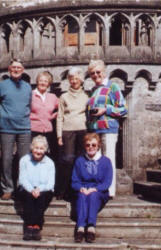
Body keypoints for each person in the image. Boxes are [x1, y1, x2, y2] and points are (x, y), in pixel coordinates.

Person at [0, 58, 32, 200]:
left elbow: (30, 106)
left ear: (22, 70)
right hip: (7, 129)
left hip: (24, 129)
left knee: (24, 160)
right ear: (9, 70)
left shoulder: (27, 87)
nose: (16, 70)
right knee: (6, 159)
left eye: (19, 68)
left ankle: (22, 187)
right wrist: (3, 118)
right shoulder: (2, 86)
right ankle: (8, 188)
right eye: (14, 67)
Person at [87, 59, 127, 197]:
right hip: (95, 130)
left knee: (108, 159)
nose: (95, 75)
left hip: (109, 129)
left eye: (98, 72)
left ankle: (109, 191)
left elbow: (123, 110)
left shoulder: (112, 87)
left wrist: (106, 110)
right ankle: (99, 188)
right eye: (92, 73)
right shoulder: (93, 90)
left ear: (104, 72)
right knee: (96, 161)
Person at [71, 133, 112, 243]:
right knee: (82, 195)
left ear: (98, 146)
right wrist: (80, 188)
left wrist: (96, 189)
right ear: (85, 146)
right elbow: (74, 181)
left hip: (99, 191)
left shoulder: (106, 161)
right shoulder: (80, 161)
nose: (91, 147)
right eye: (88, 145)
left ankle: (91, 227)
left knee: (93, 195)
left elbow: (107, 182)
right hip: (84, 188)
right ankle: (80, 228)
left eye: (93, 145)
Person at [56, 67, 89, 200]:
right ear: (68, 80)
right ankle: (64, 190)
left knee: (80, 160)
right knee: (67, 160)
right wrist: (59, 135)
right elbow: (59, 116)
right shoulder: (64, 96)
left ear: (81, 80)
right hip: (67, 131)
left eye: (76, 78)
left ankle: (77, 190)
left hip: (82, 130)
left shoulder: (86, 96)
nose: (74, 81)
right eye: (71, 78)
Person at [18, 135, 55, 241]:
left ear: (45, 150)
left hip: (44, 189)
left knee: (41, 197)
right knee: (29, 196)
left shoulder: (50, 163)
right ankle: (29, 227)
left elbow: (50, 183)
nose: (38, 151)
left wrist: (39, 189)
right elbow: (23, 180)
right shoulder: (24, 160)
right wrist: (32, 190)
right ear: (32, 148)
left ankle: (37, 227)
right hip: (27, 188)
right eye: (36, 148)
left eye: (41, 148)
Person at [30, 71, 59, 158]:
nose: (43, 83)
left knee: (47, 155)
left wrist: (54, 115)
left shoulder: (52, 97)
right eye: (41, 80)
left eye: (45, 81)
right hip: (33, 131)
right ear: (37, 82)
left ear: (49, 84)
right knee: (33, 155)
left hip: (48, 131)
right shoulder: (30, 95)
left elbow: (62, 108)